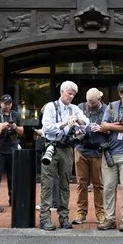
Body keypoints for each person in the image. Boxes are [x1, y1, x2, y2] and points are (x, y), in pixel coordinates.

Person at [93, 81, 123, 232]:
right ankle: (110, 219)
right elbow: (103, 127)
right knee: (108, 187)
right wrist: (109, 126)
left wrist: (109, 126)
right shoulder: (112, 106)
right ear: (121, 94)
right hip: (110, 153)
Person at [39, 80, 88, 231]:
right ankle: (45, 219)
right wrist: (65, 123)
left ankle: (64, 218)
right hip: (51, 147)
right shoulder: (50, 107)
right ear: (62, 91)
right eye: (69, 93)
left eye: (73, 94)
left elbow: (86, 122)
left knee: (65, 183)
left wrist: (78, 120)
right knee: (47, 183)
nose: (71, 96)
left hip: (67, 148)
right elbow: (47, 127)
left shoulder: (74, 108)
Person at [74, 88, 106, 225]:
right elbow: (74, 122)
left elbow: (112, 127)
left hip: (98, 151)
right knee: (81, 183)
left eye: (92, 104)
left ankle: (100, 212)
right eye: (88, 103)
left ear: (99, 100)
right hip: (81, 149)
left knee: (98, 184)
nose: (90, 106)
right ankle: (81, 212)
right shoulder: (80, 107)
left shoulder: (107, 110)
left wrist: (102, 128)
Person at [0, 94, 23, 207]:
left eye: (9, 103)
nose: (7, 105)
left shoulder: (15, 115)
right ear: (0, 103)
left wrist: (14, 127)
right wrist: (1, 127)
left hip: (12, 147)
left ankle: (13, 199)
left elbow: (22, 130)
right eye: (5, 103)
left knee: (13, 175)